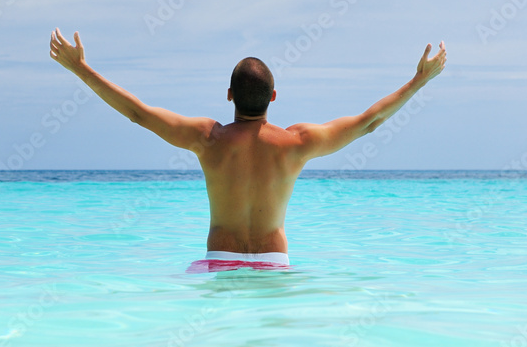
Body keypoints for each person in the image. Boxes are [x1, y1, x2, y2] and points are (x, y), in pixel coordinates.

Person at [50, 29, 446, 271]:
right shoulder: (297, 143)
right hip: (275, 263)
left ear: (228, 96)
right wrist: (418, 82)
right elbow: (368, 122)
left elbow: (138, 113)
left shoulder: (208, 139)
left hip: (220, 260)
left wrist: (81, 70)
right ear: (273, 96)